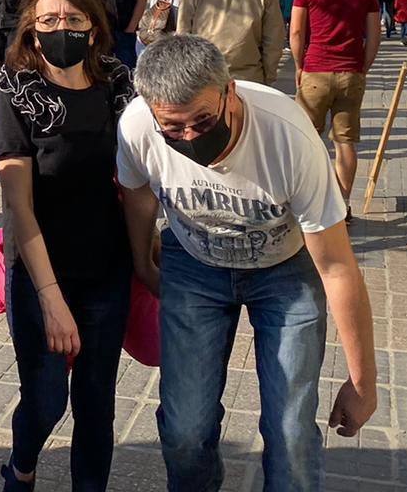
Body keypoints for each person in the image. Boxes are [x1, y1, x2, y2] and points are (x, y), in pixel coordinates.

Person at [119, 35, 377, 492]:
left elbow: (337, 267)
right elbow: (137, 191)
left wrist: (363, 382)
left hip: (284, 270)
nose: (191, 138)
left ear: (230, 92)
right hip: (194, 263)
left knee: (290, 430)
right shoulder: (137, 125)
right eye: (173, 129)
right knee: (184, 429)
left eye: (203, 120)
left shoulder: (288, 135)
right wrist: (142, 263)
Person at [0, 0, 134, 491]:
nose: (61, 28)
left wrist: (147, 254)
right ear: (31, 29)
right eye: (49, 19)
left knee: (96, 401)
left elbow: (141, 173)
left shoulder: (117, 82)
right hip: (39, 271)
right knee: (46, 397)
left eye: (73, 18)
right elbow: (18, 204)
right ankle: (22, 466)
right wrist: (51, 299)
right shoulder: (17, 90)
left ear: (93, 27)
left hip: (105, 266)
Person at [290, 0, 383, 216]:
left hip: (315, 70)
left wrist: (299, 65)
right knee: (345, 143)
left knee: (305, 140)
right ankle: (342, 205)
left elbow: (296, 32)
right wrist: (363, 66)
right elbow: (374, 36)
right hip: (350, 71)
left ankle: (308, 202)